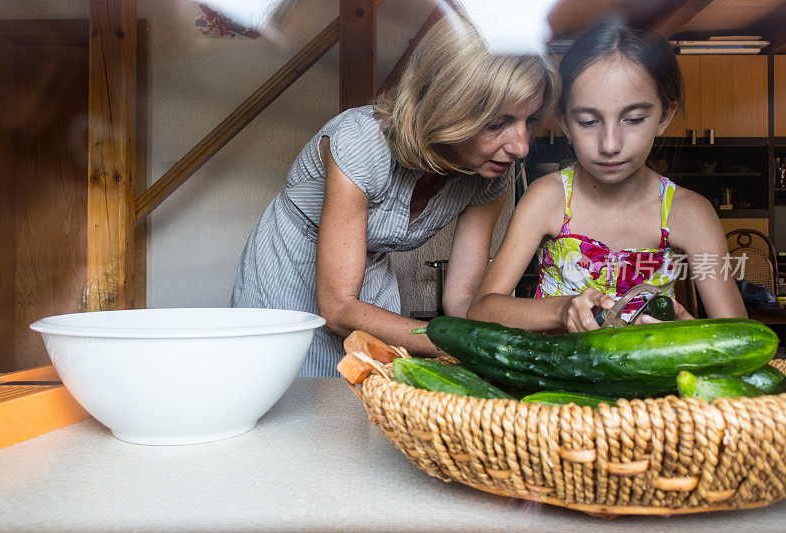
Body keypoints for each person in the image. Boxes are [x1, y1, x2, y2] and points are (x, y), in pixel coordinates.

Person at [230, 16, 561, 376]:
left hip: (369, 281)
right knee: (287, 399)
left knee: (369, 402)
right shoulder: (359, 141)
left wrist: (515, 352)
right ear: (446, 108)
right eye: (497, 123)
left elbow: (462, 301)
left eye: (529, 121)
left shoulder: (492, 171)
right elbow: (338, 308)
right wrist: (470, 346)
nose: (522, 146)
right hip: (290, 269)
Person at [468, 22, 746, 332]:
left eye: (634, 119)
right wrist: (561, 309)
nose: (610, 145)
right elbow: (482, 309)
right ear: (564, 122)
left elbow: (738, 338)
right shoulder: (548, 197)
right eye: (588, 122)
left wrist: (686, 327)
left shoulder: (690, 212)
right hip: (554, 378)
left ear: (664, 117)